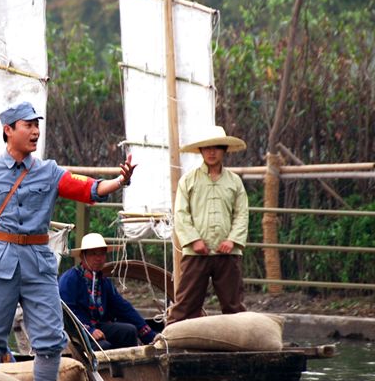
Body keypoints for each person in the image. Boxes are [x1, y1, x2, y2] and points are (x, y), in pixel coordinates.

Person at [0, 101, 136, 381]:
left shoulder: (49, 172)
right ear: (9, 131)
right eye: (28, 125)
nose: (36, 132)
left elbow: (87, 189)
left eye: (37, 125)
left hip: (38, 264)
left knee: (49, 340)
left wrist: (120, 181)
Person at [167, 125, 249, 323]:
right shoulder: (189, 180)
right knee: (186, 304)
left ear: (224, 150)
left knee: (234, 305)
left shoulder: (234, 182)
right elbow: (181, 213)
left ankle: (240, 345)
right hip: (197, 252)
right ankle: (170, 340)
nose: (212, 152)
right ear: (201, 151)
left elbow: (242, 214)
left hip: (227, 252)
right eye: (207, 148)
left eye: (217, 148)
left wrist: (232, 240)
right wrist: (194, 240)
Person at [59, 233, 158, 350]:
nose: (98, 258)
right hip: (75, 332)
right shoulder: (69, 279)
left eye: (102, 254)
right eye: (93, 254)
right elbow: (68, 312)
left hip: (98, 326)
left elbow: (123, 307)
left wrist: (149, 334)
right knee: (103, 346)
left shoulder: (104, 282)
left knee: (129, 331)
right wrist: (89, 330)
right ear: (82, 256)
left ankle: (128, 366)